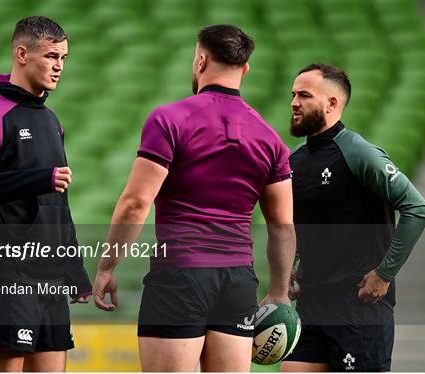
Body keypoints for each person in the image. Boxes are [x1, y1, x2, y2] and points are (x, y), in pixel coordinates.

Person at [92, 24, 296, 372]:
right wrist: (278, 292)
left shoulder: (170, 119)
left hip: (180, 277)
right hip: (238, 282)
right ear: (245, 69)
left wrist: (107, 266)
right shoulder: (269, 138)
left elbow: (135, 202)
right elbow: (282, 226)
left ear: (200, 61)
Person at [0, 16, 91, 372]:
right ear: (21, 54)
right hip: (4, 277)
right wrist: (38, 179)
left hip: (50, 280)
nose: (59, 66)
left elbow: (58, 202)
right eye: (50, 56)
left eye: (63, 58)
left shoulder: (50, 120)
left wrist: (74, 270)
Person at [282, 63, 425, 372]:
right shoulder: (295, 161)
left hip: (358, 309)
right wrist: (292, 266)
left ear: (332, 103)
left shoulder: (359, 153)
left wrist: (384, 274)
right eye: (293, 94)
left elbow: (417, 208)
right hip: (311, 307)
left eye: (304, 95)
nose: (294, 102)